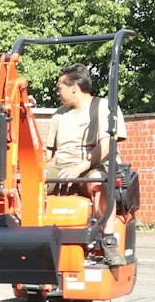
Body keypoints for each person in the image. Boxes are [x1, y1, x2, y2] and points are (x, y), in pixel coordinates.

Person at [43, 62, 112, 220]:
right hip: (61, 168)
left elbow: (106, 145)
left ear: (74, 87)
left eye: (60, 89)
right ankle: (31, 231)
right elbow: (48, 154)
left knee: (98, 181)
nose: (58, 93)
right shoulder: (59, 115)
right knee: (32, 182)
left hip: (93, 166)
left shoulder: (103, 108)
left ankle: (106, 234)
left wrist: (78, 169)